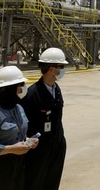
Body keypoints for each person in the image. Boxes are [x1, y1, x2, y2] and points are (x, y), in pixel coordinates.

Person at [20, 47, 68, 190]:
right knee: (35, 182)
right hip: (38, 149)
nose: (63, 70)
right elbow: (24, 124)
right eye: (61, 67)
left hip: (56, 145)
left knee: (52, 181)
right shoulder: (32, 94)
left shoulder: (56, 89)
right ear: (52, 69)